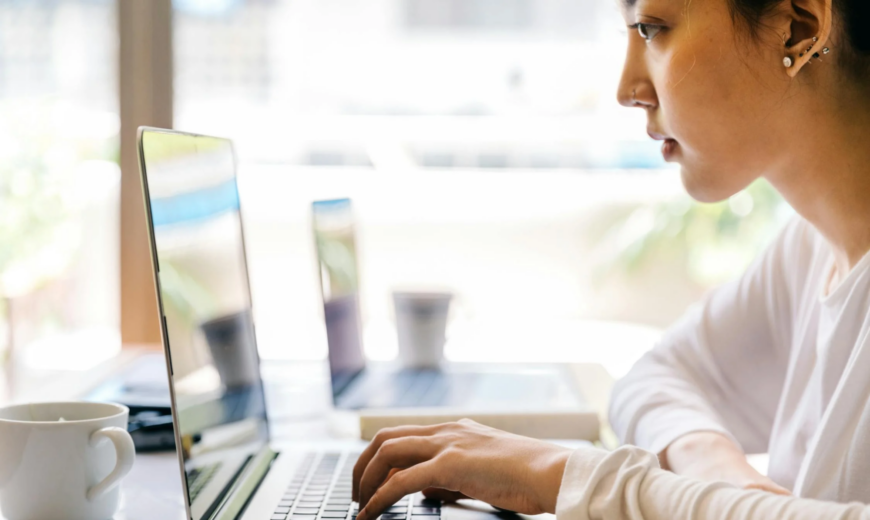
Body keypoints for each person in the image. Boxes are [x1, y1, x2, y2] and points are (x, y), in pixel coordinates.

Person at [349, 0, 870, 517]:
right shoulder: (809, 251)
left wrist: (559, 477)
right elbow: (655, 377)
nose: (627, 90)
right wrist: (719, 481)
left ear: (797, 29)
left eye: (651, 28)